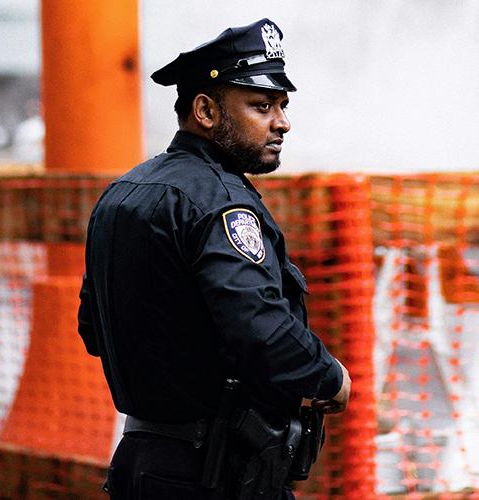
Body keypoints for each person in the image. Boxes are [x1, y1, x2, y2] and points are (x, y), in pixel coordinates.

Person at [78, 18, 351, 500]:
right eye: (262, 105)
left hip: (140, 465)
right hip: (216, 472)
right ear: (205, 110)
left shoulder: (120, 195)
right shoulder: (222, 204)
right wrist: (330, 377)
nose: (282, 121)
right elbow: (261, 328)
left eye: (283, 106)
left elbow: (93, 330)